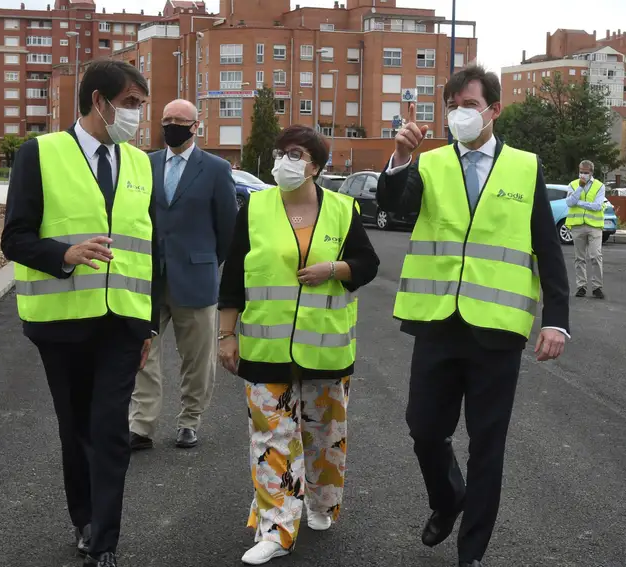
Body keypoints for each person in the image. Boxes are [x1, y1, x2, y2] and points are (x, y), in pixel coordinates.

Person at [376, 64, 570, 567]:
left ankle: (472, 554)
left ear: (494, 110)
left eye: (470, 105)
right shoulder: (431, 162)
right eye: (453, 106)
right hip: (438, 322)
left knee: (487, 445)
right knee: (423, 429)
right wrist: (400, 158)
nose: (460, 114)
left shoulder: (525, 167)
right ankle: (447, 499)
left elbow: (547, 248)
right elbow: (395, 209)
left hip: (497, 331)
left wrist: (556, 318)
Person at [1, 59, 159, 567]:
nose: (138, 114)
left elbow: (150, 248)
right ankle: (84, 519)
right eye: (132, 103)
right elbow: (15, 238)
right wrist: (63, 256)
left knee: (111, 427)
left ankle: (105, 541)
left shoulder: (139, 163)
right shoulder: (39, 154)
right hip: (62, 321)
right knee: (77, 428)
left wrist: (149, 323)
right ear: (100, 101)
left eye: (141, 105)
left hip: (122, 322)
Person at [218, 125, 379, 565]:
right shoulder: (254, 207)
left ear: (316, 167)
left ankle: (321, 504)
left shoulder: (344, 209)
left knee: (324, 436)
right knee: (272, 438)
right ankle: (276, 529)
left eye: (295, 154)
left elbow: (367, 264)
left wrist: (335, 267)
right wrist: (226, 335)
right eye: (279, 152)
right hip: (265, 349)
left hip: (325, 349)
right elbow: (234, 276)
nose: (283, 161)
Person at [128, 99, 237, 450]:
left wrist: (204, 260)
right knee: (144, 353)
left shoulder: (217, 169)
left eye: (179, 120)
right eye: (166, 119)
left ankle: (190, 420)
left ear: (195, 126)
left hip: (196, 276)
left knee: (197, 358)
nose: (172, 125)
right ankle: (141, 425)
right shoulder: (145, 164)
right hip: (150, 277)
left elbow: (227, 229)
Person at [566, 160, 606, 299]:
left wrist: (579, 203)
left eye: (585, 172)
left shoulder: (599, 186)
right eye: (581, 171)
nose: (583, 174)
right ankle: (581, 286)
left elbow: (597, 206)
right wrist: (580, 188)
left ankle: (597, 287)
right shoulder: (573, 184)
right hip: (577, 225)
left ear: (591, 172)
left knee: (595, 256)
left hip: (594, 226)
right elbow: (569, 202)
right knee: (579, 258)